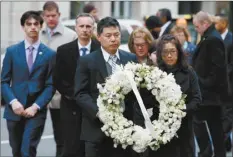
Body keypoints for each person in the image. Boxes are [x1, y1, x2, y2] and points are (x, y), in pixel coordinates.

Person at [74, 17, 138, 157]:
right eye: (108, 36)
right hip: (96, 129)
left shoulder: (130, 59)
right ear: (99, 37)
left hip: (125, 129)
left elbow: (136, 92)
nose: (113, 39)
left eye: (116, 35)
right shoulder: (87, 61)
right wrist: (99, 113)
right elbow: (80, 93)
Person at [1, 10, 55, 157]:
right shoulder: (12, 51)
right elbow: (4, 81)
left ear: (41, 26)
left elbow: (51, 85)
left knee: (28, 150)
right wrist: (12, 101)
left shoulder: (50, 54)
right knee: (16, 150)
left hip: (36, 111)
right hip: (14, 110)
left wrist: (36, 106)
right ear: (23, 27)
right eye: (28, 24)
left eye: (36, 24)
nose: (32, 27)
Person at [53, 13, 100, 157]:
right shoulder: (63, 50)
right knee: (72, 148)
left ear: (93, 28)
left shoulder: (100, 49)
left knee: (93, 147)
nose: (85, 29)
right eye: (81, 26)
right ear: (76, 28)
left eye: (88, 26)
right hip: (71, 106)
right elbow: (58, 80)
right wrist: (76, 96)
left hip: (95, 107)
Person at [40, 1, 77, 156]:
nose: (50, 19)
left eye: (53, 15)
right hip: (40, 94)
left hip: (60, 95)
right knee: (31, 137)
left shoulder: (70, 36)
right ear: (43, 16)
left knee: (61, 137)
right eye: (47, 16)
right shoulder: (38, 35)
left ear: (59, 15)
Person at [192, 11, 227, 157]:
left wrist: (203, 83)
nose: (195, 29)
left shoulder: (212, 39)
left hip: (210, 95)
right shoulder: (209, 36)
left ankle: (207, 153)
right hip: (209, 94)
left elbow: (217, 69)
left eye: (197, 26)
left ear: (205, 24)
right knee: (214, 130)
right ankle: (209, 152)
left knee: (210, 128)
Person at [215, 13, 233, 152]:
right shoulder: (213, 38)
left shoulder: (231, 39)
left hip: (229, 83)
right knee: (220, 114)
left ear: (224, 24)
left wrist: (222, 75)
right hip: (216, 85)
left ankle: (224, 139)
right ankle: (225, 142)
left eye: (217, 23)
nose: (214, 25)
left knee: (227, 114)